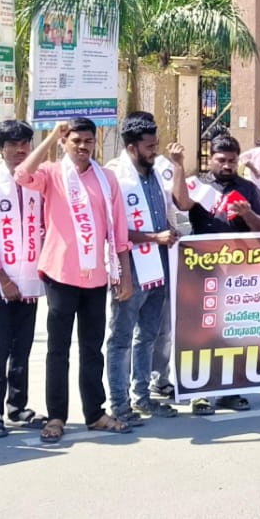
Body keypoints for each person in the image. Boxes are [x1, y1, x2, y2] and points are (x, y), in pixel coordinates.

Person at [15, 118, 133, 442]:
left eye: (88, 141)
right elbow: (22, 175)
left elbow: (119, 232)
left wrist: (124, 275)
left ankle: (94, 413)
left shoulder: (106, 178)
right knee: (58, 349)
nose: (83, 147)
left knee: (92, 348)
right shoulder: (52, 173)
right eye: (76, 140)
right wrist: (52, 134)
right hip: (60, 274)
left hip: (96, 275)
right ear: (65, 143)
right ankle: (56, 416)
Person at [104, 116, 184, 425]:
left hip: (159, 266)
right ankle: (120, 404)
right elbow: (114, 229)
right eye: (150, 147)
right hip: (130, 269)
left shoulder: (155, 173)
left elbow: (180, 203)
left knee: (148, 335)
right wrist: (153, 237)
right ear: (132, 147)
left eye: (156, 145)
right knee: (121, 338)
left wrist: (177, 166)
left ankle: (143, 396)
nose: (155, 151)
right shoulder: (114, 176)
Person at [0, 120, 45, 440]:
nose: (20, 150)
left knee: (23, 346)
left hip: (29, 280)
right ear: (0, 150)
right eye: (12, 144)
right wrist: (3, 278)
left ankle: (17, 405)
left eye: (25, 143)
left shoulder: (36, 185)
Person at [183, 134, 260, 416]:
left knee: (231, 333)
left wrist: (248, 215)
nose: (228, 165)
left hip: (237, 271)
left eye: (232, 160)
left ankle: (230, 391)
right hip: (201, 268)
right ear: (210, 157)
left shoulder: (248, 189)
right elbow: (181, 205)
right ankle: (200, 393)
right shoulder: (197, 186)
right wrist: (178, 166)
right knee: (200, 333)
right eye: (222, 160)